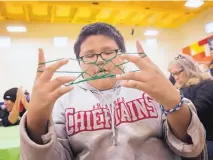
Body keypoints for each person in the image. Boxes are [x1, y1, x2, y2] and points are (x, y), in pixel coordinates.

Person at [20, 23, 205, 160]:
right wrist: (36, 120)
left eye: (108, 52)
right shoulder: (64, 100)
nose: (99, 60)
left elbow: (191, 146)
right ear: (79, 62)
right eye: (89, 55)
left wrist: (174, 102)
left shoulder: (147, 88)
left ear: (123, 56)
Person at [168, 54, 213, 159]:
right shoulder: (180, 90)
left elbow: (198, 110)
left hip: (207, 138)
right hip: (189, 141)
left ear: (188, 68)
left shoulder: (207, 84)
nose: (175, 77)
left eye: (177, 73)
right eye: (173, 74)